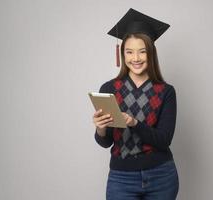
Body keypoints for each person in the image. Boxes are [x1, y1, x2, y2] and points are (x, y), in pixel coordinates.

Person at [92, 8, 179, 200]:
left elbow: (164, 140)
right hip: (121, 178)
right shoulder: (109, 88)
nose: (136, 58)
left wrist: (133, 123)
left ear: (151, 53)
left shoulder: (166, 92)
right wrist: (100, 129)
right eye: (129, 52)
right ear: (122, 54)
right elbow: (105, 143)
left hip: (161, 176)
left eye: (142, 52)